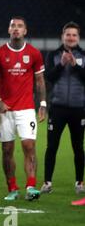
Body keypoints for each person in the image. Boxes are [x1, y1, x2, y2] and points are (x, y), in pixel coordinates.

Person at [0, 16, 46, 201]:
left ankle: (31, 186)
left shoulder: (34, 53)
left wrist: (43, 104)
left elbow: (39, 81)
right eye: (13, 26)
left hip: (26, 108)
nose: (16, 28)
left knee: (28, 145)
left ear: (25, 31)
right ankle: (12, 188)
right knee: (7, 149)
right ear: (8, 30)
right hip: (5, 109)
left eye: (19, 26)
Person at [41, 22, 85, 195]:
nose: (71, 38)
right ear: (63, 36)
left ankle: (79, 183)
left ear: (78, 37)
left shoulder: (83, 55)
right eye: (68, 35)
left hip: (79, 108)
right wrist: (61, 64)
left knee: (78, 147)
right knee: (52, 146)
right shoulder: (53, 54)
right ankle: (47, 183)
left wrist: (75, 65)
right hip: (57, 108)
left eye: (74, 35)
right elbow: (48, 77)